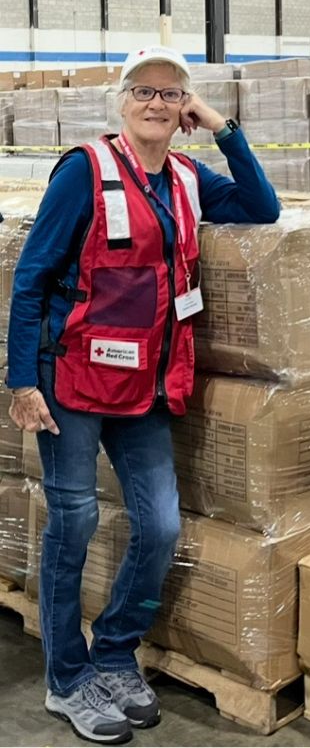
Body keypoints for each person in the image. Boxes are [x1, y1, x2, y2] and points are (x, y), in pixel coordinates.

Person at [6, 44, 280, 744]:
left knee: (159, 526)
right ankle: (67, 680)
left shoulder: (187, 179)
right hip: (73, 382)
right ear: (121, 102)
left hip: (148, 387)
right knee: (74, 528)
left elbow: (261, 205)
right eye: (144, 92)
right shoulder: (85, 172)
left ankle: (116, 652)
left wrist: (221, 126)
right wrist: (21, 379)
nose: (157, 104)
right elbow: (33, 277)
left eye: (171, 93)